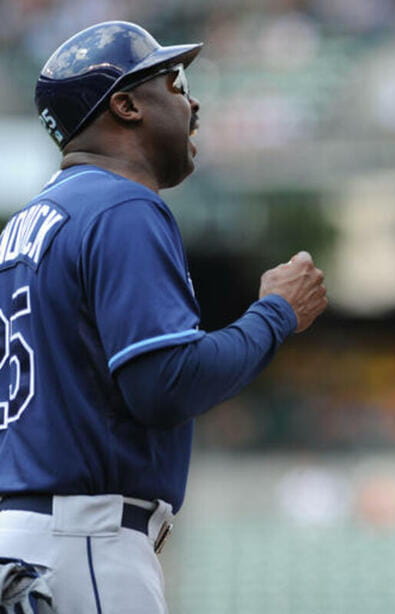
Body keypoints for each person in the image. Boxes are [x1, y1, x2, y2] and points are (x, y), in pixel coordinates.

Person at [0, 21, 327, 613]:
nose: (191, 99)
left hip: (25, 532)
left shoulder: (27, 223)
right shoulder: (121, 204)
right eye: (173, 83)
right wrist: (277, 313)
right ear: (125, 106)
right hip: (86, 542)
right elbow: (163, 383)